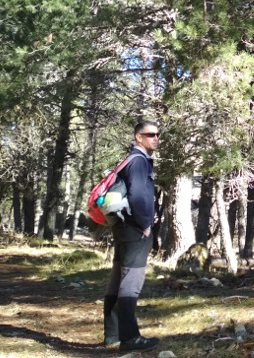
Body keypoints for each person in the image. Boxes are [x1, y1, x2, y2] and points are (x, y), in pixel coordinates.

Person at [103, 121, 161, 351]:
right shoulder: (138, 162)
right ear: (138, 138)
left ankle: (113, 334)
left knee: (118, 278)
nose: (155, 138)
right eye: (150, 135)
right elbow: (138, 196)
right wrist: (145, 224)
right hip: (134, 228)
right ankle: (129, 339)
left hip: (123, 226)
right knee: (131, 281)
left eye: (157, 134)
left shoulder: (131, 160)